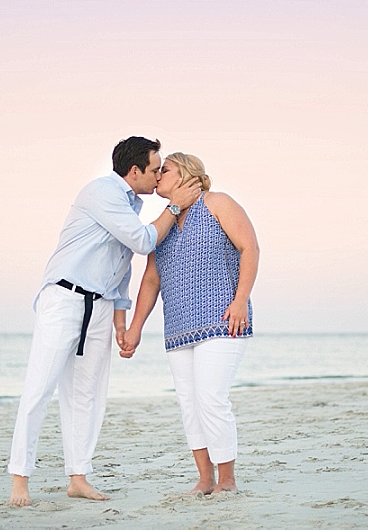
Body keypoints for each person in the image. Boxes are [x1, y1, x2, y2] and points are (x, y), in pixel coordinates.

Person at [7, 137, 202, 507]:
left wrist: (120, 321)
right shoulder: (101, 192)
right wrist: (176, 206)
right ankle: (20, 479)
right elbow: (142, 241)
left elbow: (121, 265)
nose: (159, 173)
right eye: (155, 168)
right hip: (64, 298)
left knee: (88, 395)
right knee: (39, 389)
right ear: (134, 171)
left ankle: (78, 477)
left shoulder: (131, 203)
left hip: (100, 306)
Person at [117, 152, 259, 494]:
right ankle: (205, 479)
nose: (157, 175)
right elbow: (151, 281)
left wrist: (240, 301)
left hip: (222, 320)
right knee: (189, 404)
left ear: (185, 174)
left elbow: (249, 248)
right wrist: (135, 328)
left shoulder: (217, 203)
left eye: (164, 170)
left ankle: (227, 480)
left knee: (210, 398)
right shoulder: (164, 222)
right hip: (178, 329)